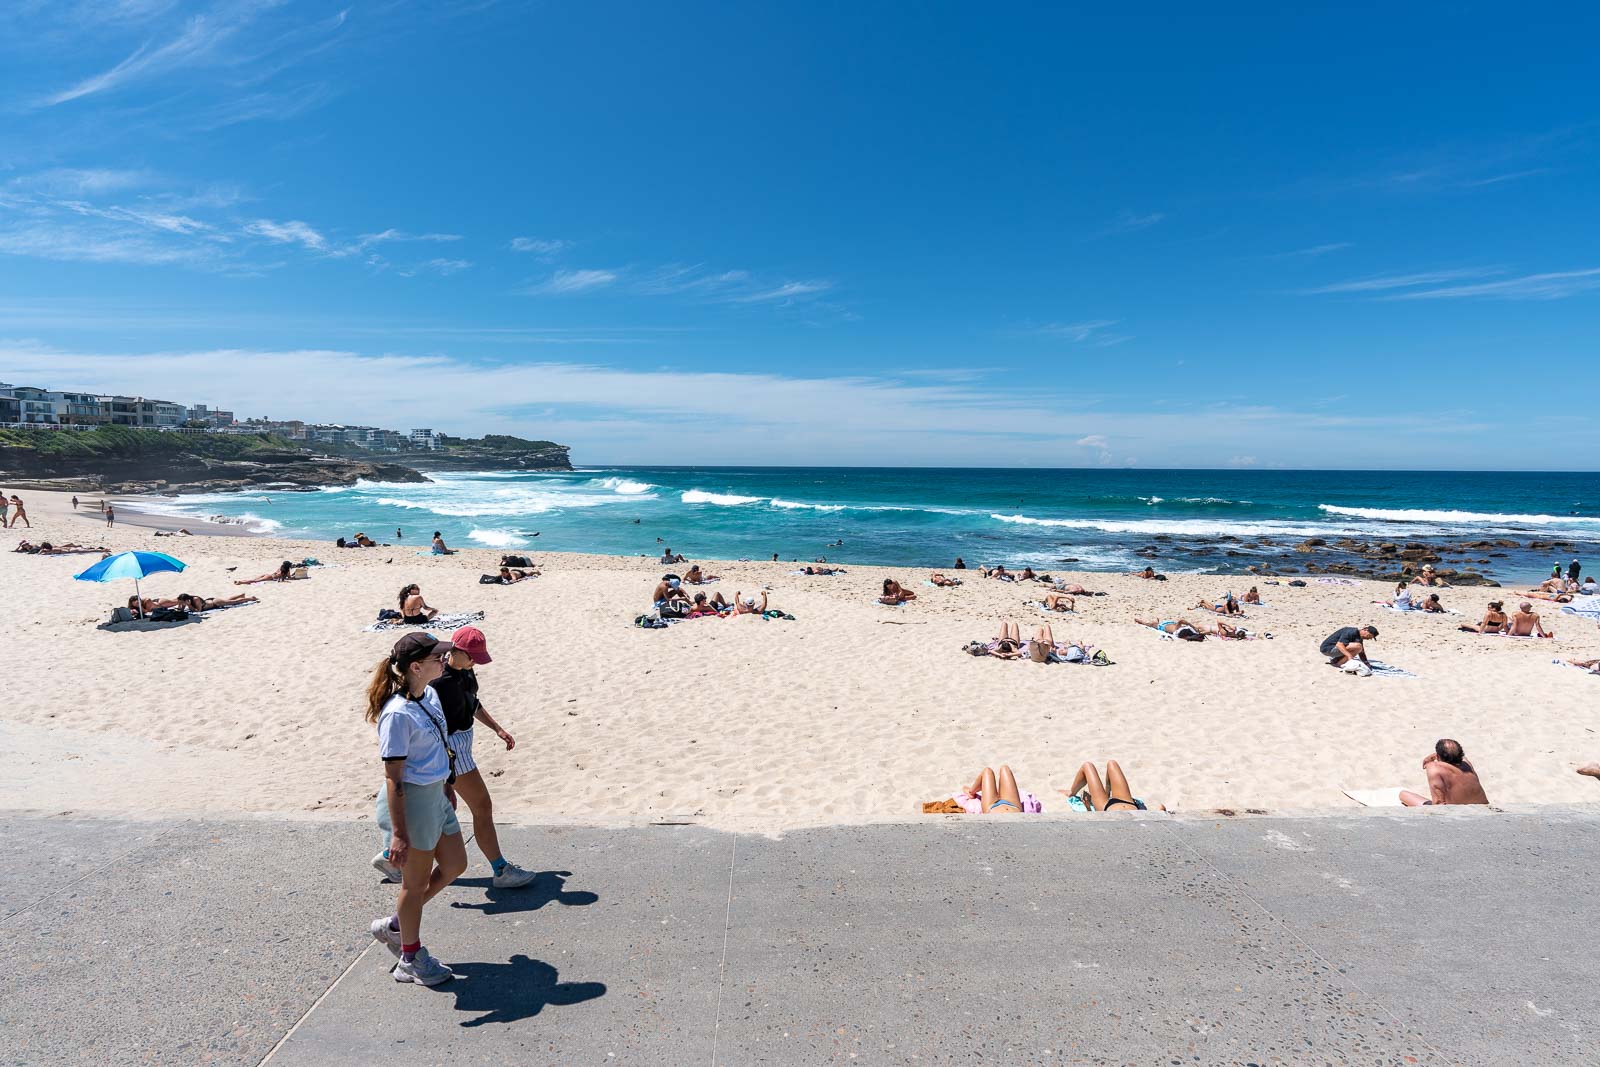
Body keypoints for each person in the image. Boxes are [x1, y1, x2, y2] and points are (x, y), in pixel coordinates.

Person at [388, 626, 538, 891]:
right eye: (471, 657)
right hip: (452, 750)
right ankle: (500, 870)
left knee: (440, 810)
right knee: (482, 806)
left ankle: (391, 858)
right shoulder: (438, 683)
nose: (473, 663)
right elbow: (432, 727)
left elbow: (473, 703)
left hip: (461, 746)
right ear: (455, 651)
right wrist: (447, 769)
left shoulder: (465, 672)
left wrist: (497, 728)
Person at [365, 632, 467, 985]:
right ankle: (410, 958)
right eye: (437, 657)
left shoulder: (430, 694)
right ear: (415, 667)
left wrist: (448, 784)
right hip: (412, 803)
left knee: (455, 864)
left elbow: (438, 745)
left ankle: (396, 925)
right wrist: (399, 834)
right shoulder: (397, 714)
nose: (444, 660)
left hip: (435, 794)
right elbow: (394, 779)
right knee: (415, 883)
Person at [1399, 739, 1489, 807]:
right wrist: (1433, 755)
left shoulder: (1434, 768)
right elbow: (1463, 757)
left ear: (1438, 756)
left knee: (1403, 794)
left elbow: (1438, 804)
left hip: (1457, 813)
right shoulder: (1467, 764)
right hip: (1483, 808)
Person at [1058, 761, 1155, 812]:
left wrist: (1088, 807)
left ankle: (1071, 793)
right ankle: (1107, 792)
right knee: (1112, 763)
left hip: (1106, 808)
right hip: (1129, 804)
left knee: (1087, 766)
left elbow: (1098, 823)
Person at [956, 765, 1031, 813]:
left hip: (992, 808)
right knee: (1004, 768)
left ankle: (971, 792)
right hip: (1013, 806)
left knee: (987, 771)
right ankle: (973, 790)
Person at [1134, 616, 1206, 641]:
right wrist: (1194, 628)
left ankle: (1140, 621)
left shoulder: (1177, 630)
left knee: (1151, 624)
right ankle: (1147, 621)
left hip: (1163, 626)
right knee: (1152, 624)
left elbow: (1181, 620)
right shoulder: (1178, 631)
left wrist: (1193, 626)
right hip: (1169, 624)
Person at [234, 561, 301, 585]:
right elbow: (289, 577)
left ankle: (241, 581)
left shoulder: (281, 567)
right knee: (254, 581)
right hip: (270, 577)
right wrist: (294, 577)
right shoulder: (287, 570)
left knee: (254, 580)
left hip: (268, 575)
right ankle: (240, 582)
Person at [175, 592, 259, 611]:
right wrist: (180, 607)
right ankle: (241, 595)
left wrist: (189, 605)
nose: (181, 603)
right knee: (228, 600)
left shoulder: (195, 599)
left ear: (187, 600)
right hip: (210, 601)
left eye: (182, 602)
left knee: (233, 602)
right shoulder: (185, 601)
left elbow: (198, 610)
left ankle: (250, 598)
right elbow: (181, 609)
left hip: (215, 603)